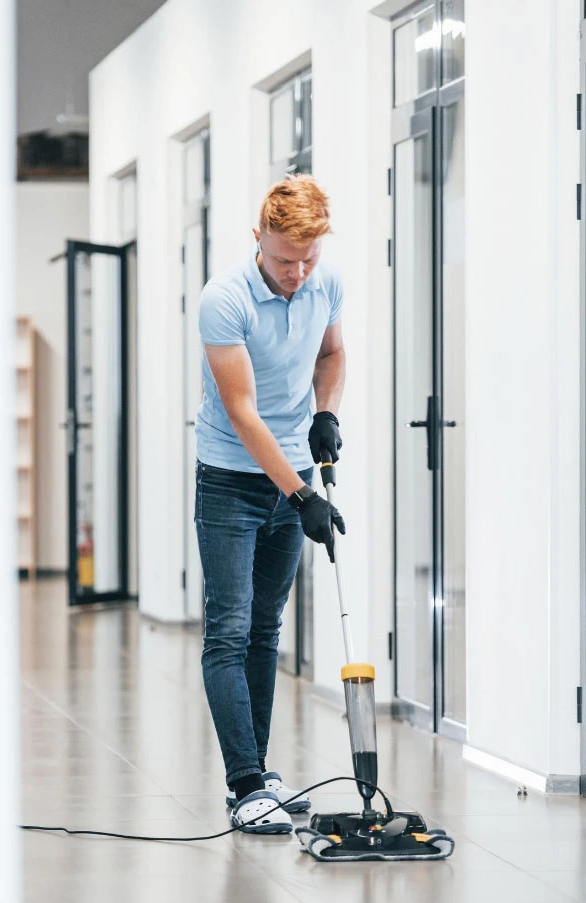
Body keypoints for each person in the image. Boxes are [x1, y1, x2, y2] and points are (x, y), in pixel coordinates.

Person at [194, 174, 346, 834]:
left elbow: (333, 353)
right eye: (286, 260)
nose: (298, 273)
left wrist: (327, 414)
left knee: (265, 627)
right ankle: (245, 782)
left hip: (294, 474)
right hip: (231, 479)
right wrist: (302, 492)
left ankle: (259, 773)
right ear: (258, 239)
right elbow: (243, 411)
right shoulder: (224, 300)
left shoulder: (324, 281)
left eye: (308, 259)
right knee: (228, 627)